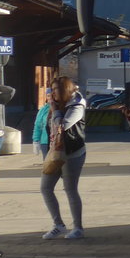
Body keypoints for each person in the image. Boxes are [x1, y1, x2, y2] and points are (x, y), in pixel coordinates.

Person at [40, 76, 86, 240]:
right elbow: (47, 127)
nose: (52, 94)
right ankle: (58, 224)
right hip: (55, 152)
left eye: (55, 90)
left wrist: (55, 109)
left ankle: (78, 228)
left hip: (73, 153)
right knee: (45, 187)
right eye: (51, 90)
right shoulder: (55, 106)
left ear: (65, 90)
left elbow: (62, 126)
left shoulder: (77, 105)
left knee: (70, 189)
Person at [32, 86, 53, 157]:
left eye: (52, 95)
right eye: (48, 96)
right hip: (45, 142)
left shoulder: (60, 109)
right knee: (48, 165)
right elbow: (38, 126)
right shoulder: (43, 110)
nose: (50, 98)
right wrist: (36, 141)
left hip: (58, 142)